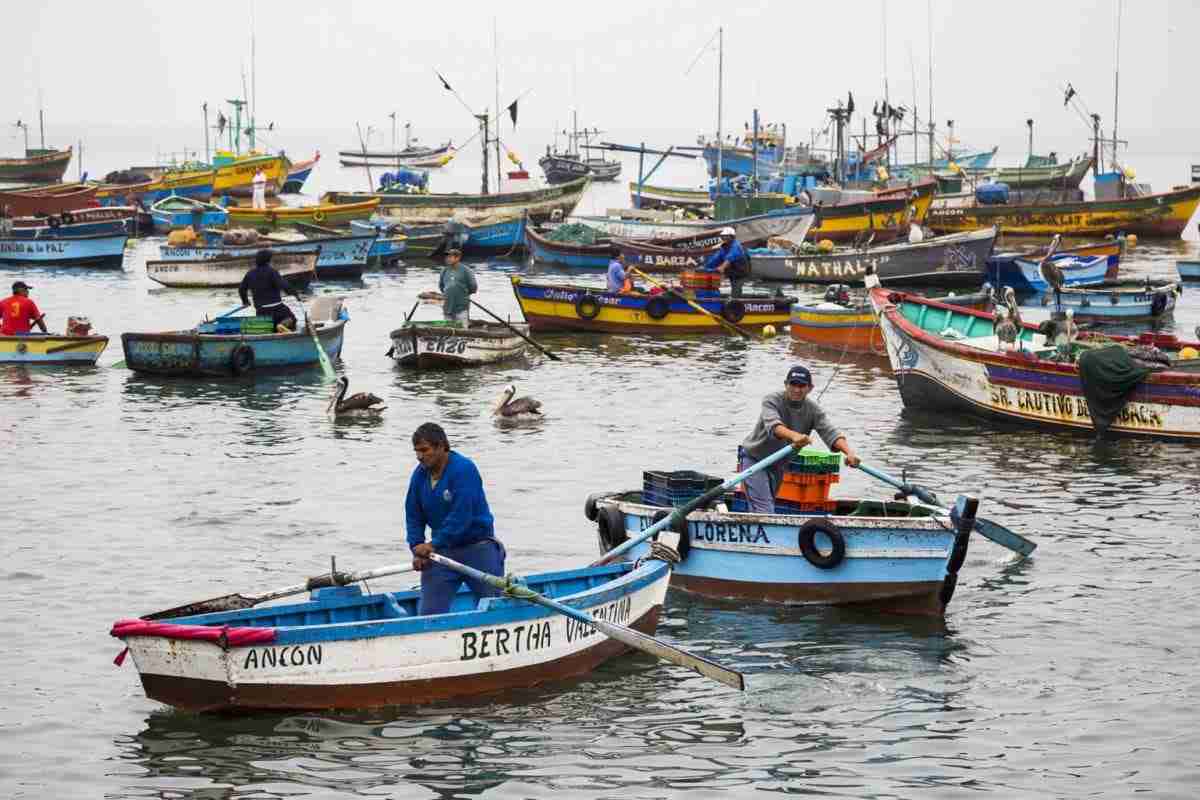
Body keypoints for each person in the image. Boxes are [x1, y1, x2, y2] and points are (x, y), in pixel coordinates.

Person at [405, 422, 506, 616]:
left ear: (442, 446)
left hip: (478, 550)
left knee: (493, 609)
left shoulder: (464, 470)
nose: (419, 456)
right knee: (429, 614)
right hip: (442, 554)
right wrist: (417, 546)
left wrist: (433, 544)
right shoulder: (419, 475)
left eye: (425, 450)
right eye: (416, 451)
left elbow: (461, 516)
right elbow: (413, 514)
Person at [739, 365, 861, 514]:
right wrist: (795, 436)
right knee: (764, 509)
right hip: (755, 460)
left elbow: (830, 432)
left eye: (802, 386)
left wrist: (849, 452)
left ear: (810, 388)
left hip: (778, 465)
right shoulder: (771, 400)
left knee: (766, 505)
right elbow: (774, 426)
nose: (797, 390)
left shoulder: (813, 410)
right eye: (793, 384)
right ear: (786, 384)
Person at [238, 249, 301, 332]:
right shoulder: (272, 272)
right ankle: (282, 325)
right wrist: (295, 294)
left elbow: (242, 289)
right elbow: (284, 285)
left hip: (262, 311)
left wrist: (245, 301)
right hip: (278, 309)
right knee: (292, 319)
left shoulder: (250, 273)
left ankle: (273, 328)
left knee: (267, 326)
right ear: (268, 261)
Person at [703, 226, 751, 297]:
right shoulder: (724, 247)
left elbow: (730, 258)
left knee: (736, 290)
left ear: (732, 237)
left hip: (741, 273)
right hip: (732, 272)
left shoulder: (736, 246)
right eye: (722, 236)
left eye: (726, 236)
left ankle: (735, 302)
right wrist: (704, 267)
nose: (723, 238)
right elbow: (716, 258)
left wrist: (722, 267)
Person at [438, 248, 477, 325]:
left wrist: (463, 294)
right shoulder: (444, 270)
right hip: (447, 307)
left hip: (461, 307)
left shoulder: (466, 270)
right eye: (446, 257)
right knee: (448, 330)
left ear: (458, 258)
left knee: (462, 329)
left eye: (450, 257)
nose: (447, 259)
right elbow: (441, 287)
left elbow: (473, 287)